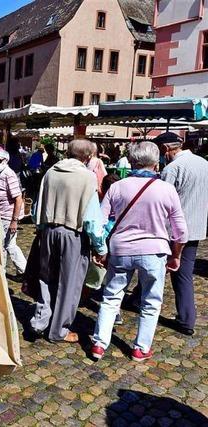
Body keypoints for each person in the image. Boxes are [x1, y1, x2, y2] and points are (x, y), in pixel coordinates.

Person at [91, 142, 187, 362]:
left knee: (111, 297)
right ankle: (140, 348)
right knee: (151, 301)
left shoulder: (117, 187)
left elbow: (99, 222)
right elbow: (181, 230)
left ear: (132, 161)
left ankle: (98, 344)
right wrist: (177, 254)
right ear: (156, 162)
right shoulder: (166, 189)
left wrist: (100, 249)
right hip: (155, 251)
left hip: (121, 249)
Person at [29, 139, 107, 343]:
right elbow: (91, 218)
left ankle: (40, 321)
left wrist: (41, 229)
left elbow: (37, 206)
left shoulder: (51, 172)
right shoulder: (87, 177)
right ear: (88, 156)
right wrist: (100, 246)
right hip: (73, 233)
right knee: (69, 284)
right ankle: (59, 330)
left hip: (48, 230)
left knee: (45, 277)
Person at [159, 133, 208, 336]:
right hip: (196, 226)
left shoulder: (172, 168)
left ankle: (142, 301)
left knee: (158, 268)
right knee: (183, 274)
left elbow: (162, 200)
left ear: (165, 150)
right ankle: (187, 318)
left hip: (173, 230)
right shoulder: (204, 163)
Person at [0, 148, 27, 277]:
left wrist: (14, 221)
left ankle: (4, 272)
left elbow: (18, 198)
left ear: (5, 160)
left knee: (6, 245)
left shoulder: (8, 174)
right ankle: (23, 270)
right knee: (9, 244)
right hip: (1, 215)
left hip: (8, 216)